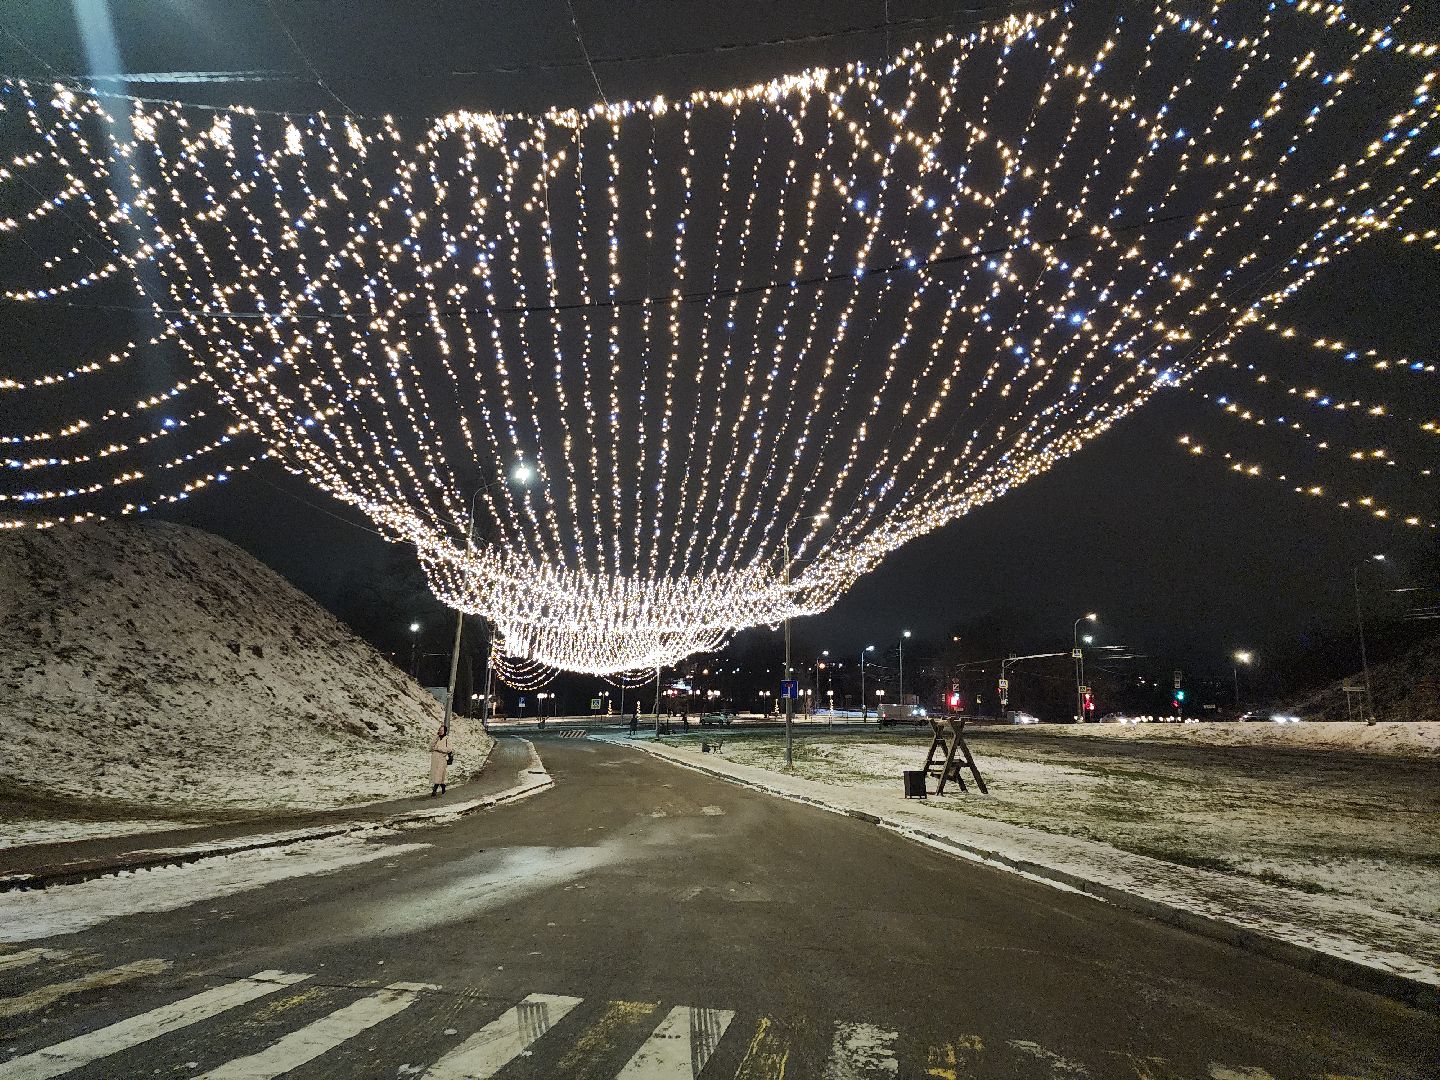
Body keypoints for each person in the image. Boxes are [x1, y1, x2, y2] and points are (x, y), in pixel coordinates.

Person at [429, 725, 452, 797]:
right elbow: (431, 746)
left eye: (442, 730)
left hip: (442, 759)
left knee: (438, 774)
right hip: (435, 759)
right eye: (440, 730)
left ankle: (434, 790)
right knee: (437, 775)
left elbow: (449, 749)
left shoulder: (447, 739)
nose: (440, 731)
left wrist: (438, 748)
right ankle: (443, 786)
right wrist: (436, 737)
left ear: (445, 731)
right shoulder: (437, 738)